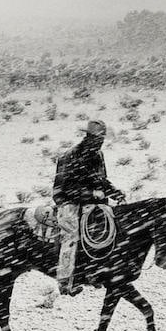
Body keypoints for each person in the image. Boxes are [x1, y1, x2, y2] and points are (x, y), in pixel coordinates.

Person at [52, 120, 125, 295]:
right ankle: (65, 279)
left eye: (102, 139)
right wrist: (91, 194)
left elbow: (101, 180)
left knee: (109, 226)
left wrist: (114, 192)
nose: (101, 142)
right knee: (71, 232)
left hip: (91, 201)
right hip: (68, 200)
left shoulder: (98, 155)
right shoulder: (71, 156)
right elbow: (65, 188)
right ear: (89, 137)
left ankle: (97, 270)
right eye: (99, 138)